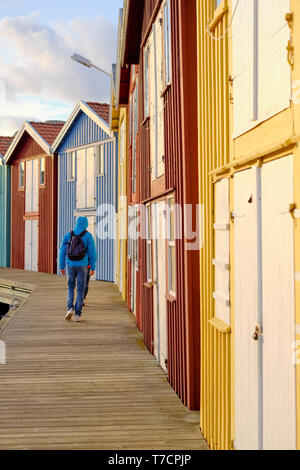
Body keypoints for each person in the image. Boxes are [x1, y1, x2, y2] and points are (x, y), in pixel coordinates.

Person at [59, 216, 97, 322]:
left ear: (76, 223)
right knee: (80, 289)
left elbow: (62, 251)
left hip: (70, 265)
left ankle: (70, 308)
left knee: (71, 287)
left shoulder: (68, 235)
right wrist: (92, 267)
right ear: (86, 224)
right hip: (83, 265)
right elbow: (92, 253)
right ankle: (78, 315)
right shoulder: (88, 236)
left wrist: (62, 266)